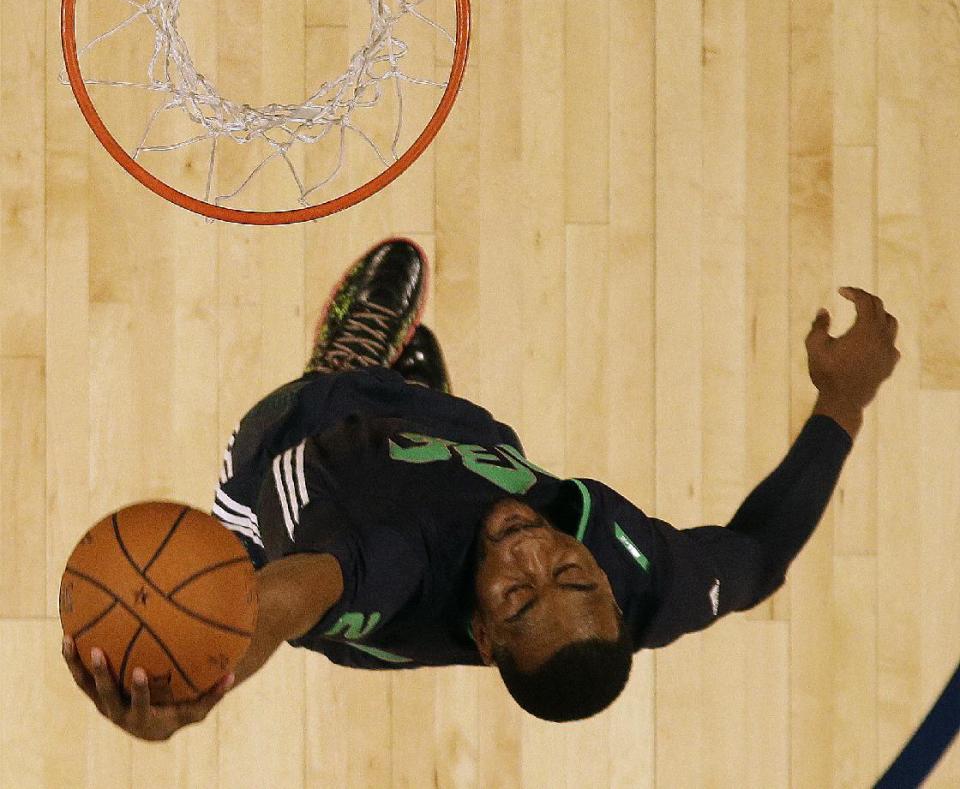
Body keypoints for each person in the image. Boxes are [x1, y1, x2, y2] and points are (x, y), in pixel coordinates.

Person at [62, 238, 901, 741]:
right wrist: (843, 401)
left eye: (517, 597)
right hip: (463, 452)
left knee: (322, 418)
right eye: (573, 576)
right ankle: (419, 402)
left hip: (300, 475)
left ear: (482, 631)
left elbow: (277, 604)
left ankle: (352, 358)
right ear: (611, 591)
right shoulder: (644, 585)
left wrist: (200, 690)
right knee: (476, 439)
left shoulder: (391, 560)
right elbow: (758, 560)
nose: (534, 552)